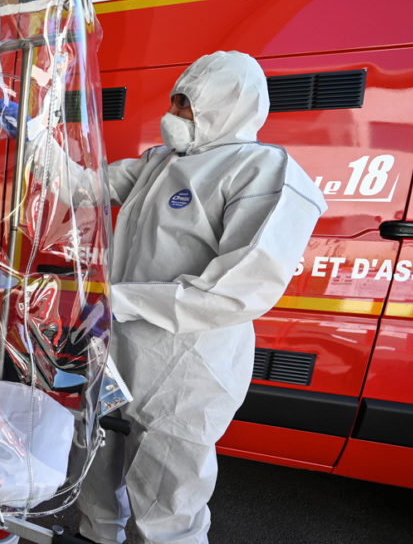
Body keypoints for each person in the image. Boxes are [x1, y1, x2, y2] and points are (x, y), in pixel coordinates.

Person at [27, 51, 325, 544]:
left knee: (167, 506)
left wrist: (119, 301)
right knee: (96, 471)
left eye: (187, 104)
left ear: (226, 105)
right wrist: (33, 135)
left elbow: (238, 290)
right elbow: (82, 187)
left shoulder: (264, 171)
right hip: (120, 349)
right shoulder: (160, 163)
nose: (174, 113)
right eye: (176, 100)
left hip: (188, 367)